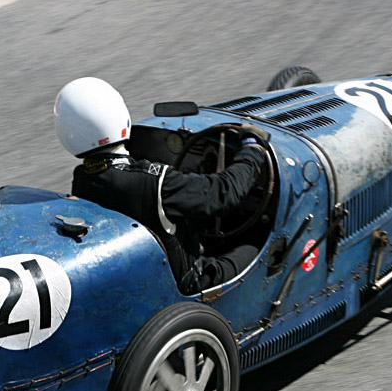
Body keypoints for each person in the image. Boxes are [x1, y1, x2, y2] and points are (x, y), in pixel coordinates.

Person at [55, 76, 265, 294]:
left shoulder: (83, 178)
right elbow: (223, 193)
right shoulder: (156, 181)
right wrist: (252, 149)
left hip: (143, 279)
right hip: (190, 282)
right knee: (260, 240)